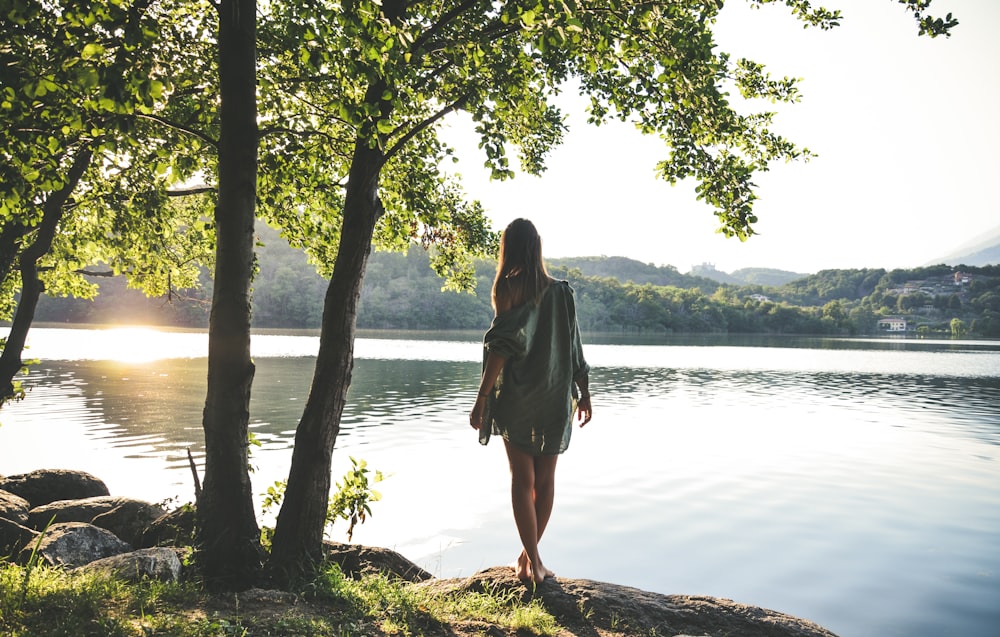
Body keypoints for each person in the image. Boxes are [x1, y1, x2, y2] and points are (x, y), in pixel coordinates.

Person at [470, 218, 592, 584]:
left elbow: (500, 350)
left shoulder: (508, 289)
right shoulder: (563, 292)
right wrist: (584, 393)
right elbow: (574, 348)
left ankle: (531, 560)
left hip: (517, 398)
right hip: (555, 397)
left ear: (508, 247)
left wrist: (482, 398)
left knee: (522, 480)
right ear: (537, 245)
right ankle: (530, 560)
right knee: (546, 480)